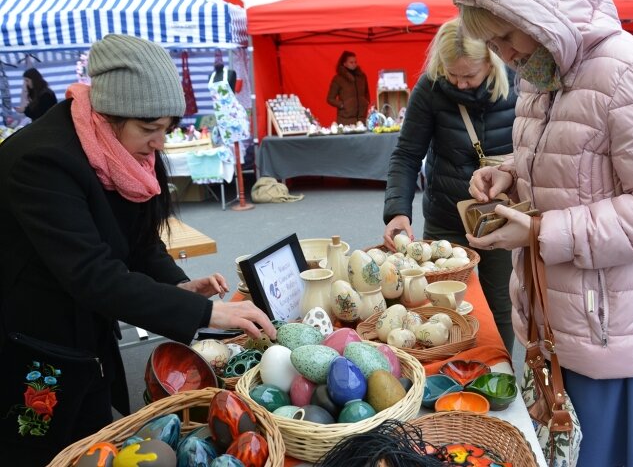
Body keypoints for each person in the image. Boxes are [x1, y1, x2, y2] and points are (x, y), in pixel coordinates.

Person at [453, 0, 633, 464]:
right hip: (557, 318)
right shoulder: (541, 78)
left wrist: (544, 233)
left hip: (609, 327)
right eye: (492, 41)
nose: (504, 53)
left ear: (542, 11)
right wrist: (509, 173)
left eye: (506, 34)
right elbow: (565, 166)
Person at [0, 34, 276, 465]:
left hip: (92, 331)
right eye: (150, 130)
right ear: (108, 114)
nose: (160, 143)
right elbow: (94, 273)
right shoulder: (40, 161)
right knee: (38, 444)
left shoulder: (129, 154)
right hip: (39, 337)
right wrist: (206, 314)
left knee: (98, 440)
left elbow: (142, 242)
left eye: (167, 129)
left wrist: (178, 286)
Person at [382, 17, 518, 353]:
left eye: (469, 76)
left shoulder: (520, 83)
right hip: (446, 219)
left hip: (500, 215)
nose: (459, 83)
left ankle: (499, 372)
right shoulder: (429, 88)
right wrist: (397, 211)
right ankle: (452, 374)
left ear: (492, 59)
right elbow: (406, 155)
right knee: (442, 308)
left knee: (500, 304)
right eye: (451, 74)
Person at [326, 50, 370, 125]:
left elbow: (366, 93)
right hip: (345, 120)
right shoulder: (338, 79)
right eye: (351, 62)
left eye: (355, 62)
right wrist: (342, 105)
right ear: (344, 63)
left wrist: (366, 102)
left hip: (362, 119)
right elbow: (330, 99)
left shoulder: (362, 77)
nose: (354, 64)